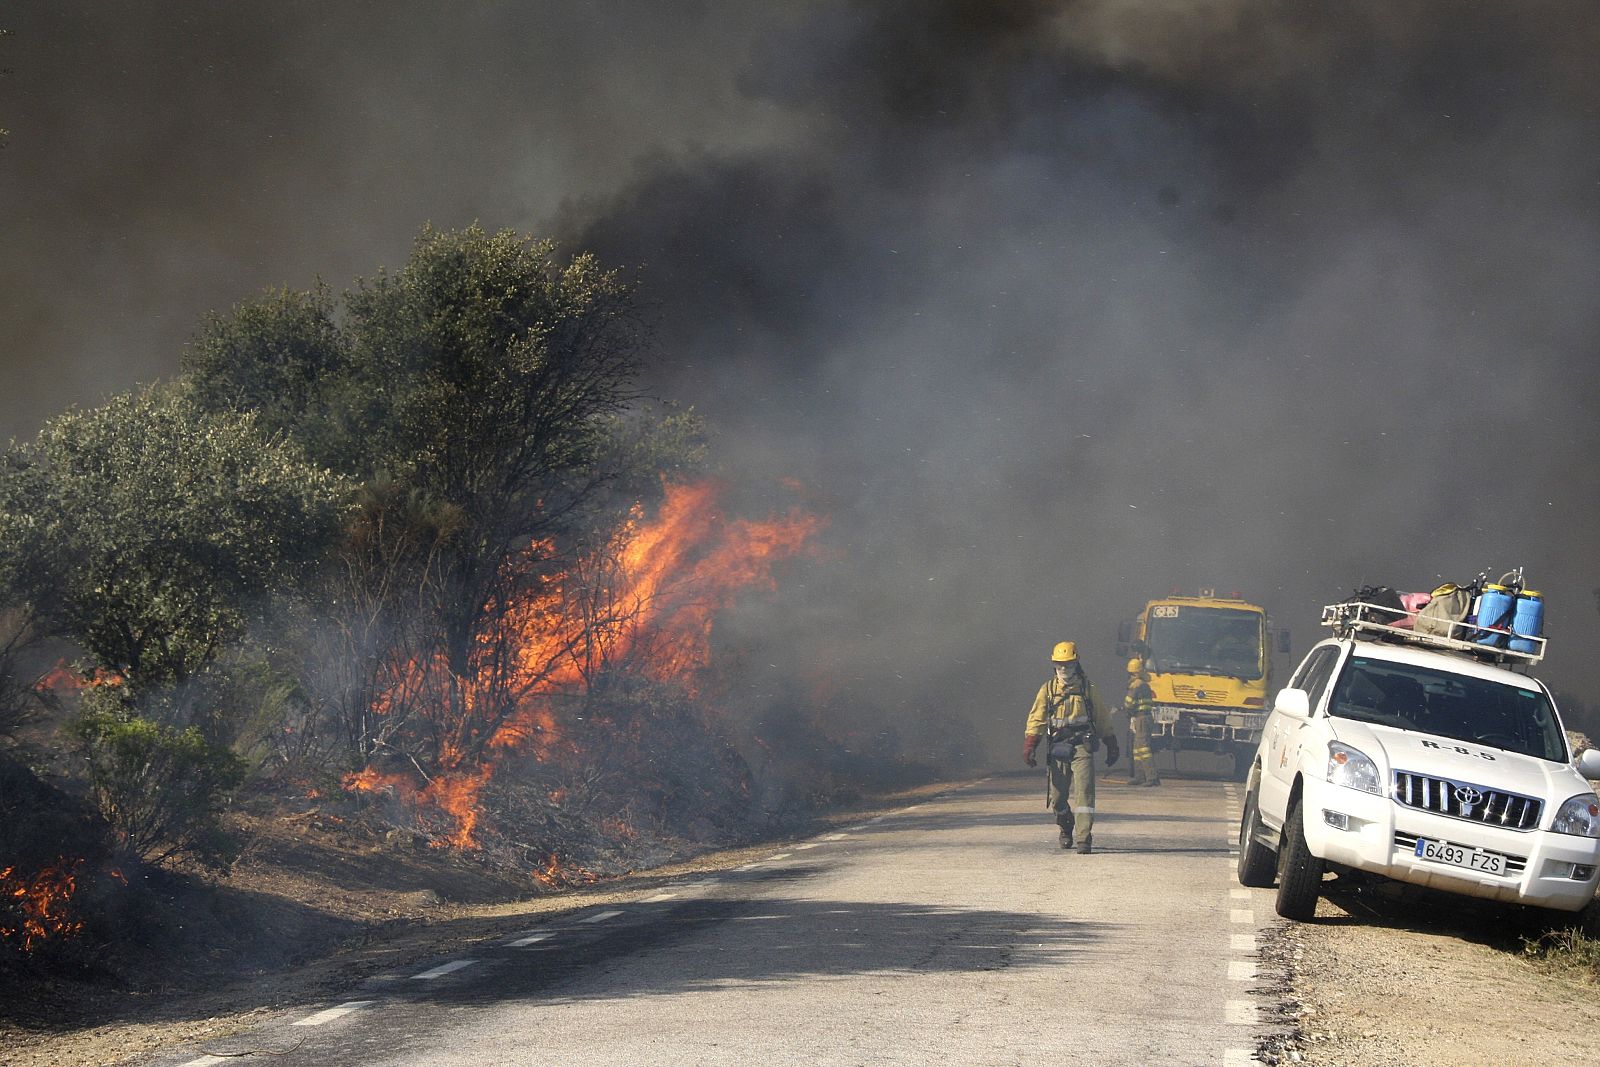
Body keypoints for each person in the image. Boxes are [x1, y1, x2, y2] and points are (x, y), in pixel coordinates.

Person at [1023, 641, 1119, 852]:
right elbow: (1037, 719)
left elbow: (1102, 717)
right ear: (1054, 666)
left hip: (1081, 747)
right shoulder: (1047, 690)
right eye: (1060, 665)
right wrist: (1030, 745)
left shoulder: (1087, 689)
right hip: (1058, 748)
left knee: (1084, 793)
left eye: (1068, 665)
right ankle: (1066, 826)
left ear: (1076, 664)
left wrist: (1111, 742)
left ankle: (1084, 837)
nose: (1064, 669)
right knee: (1057, 799)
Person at [1123, 657, 1161, 787]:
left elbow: (1129, 702)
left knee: (1143, 748)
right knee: (1137, 748)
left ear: (1132, 672)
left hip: (1141, 719)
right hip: (1142, 717)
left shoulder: (1136, 685)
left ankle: (1152, 777)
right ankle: (1139, 776)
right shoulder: (1144, 684)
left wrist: (1126, 711)